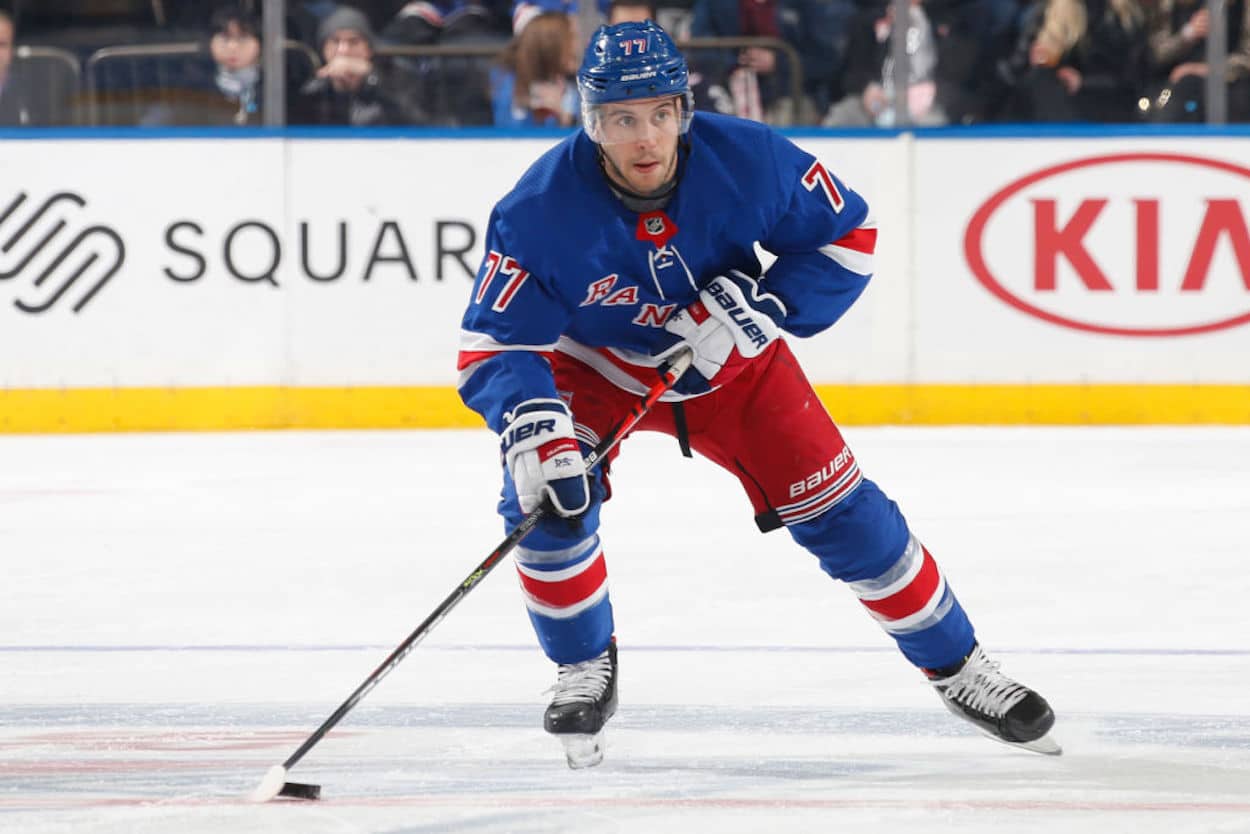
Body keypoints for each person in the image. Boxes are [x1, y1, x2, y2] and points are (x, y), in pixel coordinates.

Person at [457, 20, 1060, 769]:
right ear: (592, 122)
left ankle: (963, 669)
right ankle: (582, 665)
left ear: (683, 108)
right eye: (620, 119)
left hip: (733, 366)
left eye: (659, 114)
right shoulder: (538, 207)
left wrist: (768, 309)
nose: (644, 138)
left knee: (844, 514)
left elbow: (850, 235)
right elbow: (496, 342)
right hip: (598, 367)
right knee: (545, 500)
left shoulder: (749, 158)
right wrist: (532, 421)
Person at [290, 5, 415, 126]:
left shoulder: (397, 80)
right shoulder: (312, 91)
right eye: (335, 41)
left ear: (368, 49)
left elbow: (418, 124)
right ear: (324, 49)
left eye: (353, 42)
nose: (343, 50)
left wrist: (372, 79)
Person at [1143, 0, 1250, 123]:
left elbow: (1247, 57)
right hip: (1176, 84)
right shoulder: (1170, 6)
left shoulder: (1243, 7)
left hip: (1233, 85)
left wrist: (1209, 69)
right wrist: (1187, 35)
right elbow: (1155, 53)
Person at [490, 3, 581, 127]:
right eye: (571, 37)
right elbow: (506, 136)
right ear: (551, 45)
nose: (577, 46)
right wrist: (532, 110)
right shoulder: (507, 81)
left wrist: (564, 118)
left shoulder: (577, 86)